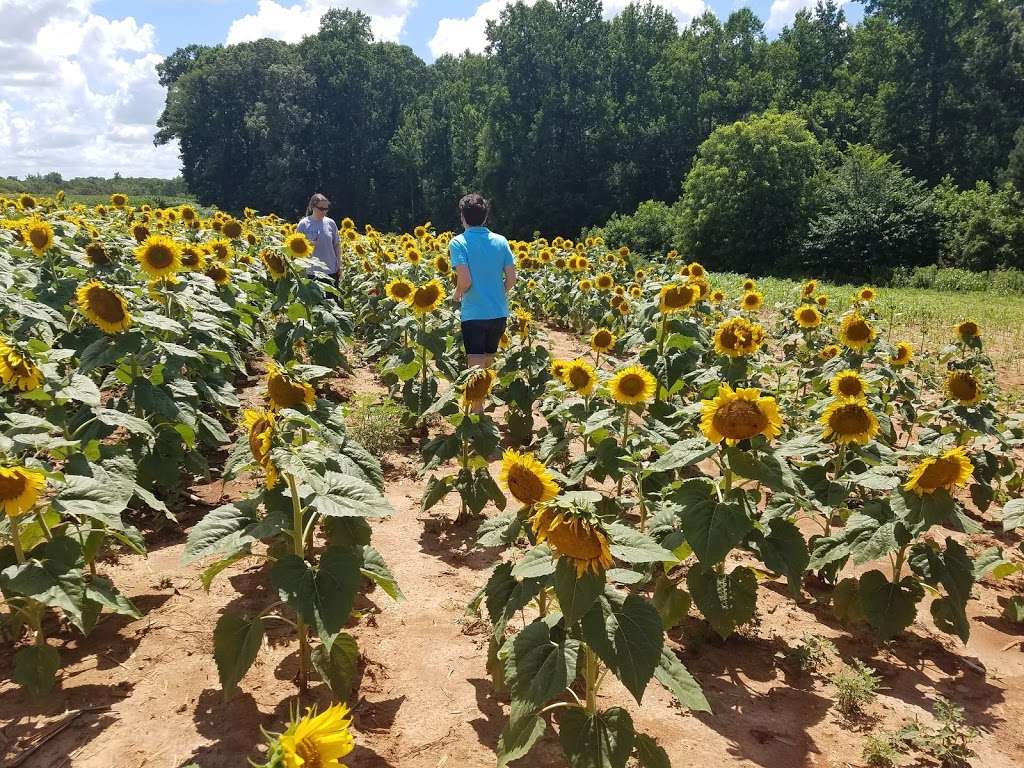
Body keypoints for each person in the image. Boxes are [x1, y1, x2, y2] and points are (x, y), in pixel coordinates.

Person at [450, 193, 516, 378]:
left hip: (474, 314)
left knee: (475, 367)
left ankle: (477, 407)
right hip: (498, 312)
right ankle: (483, 402)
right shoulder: (501, 241)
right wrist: (496, 292)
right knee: (488, 363)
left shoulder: (458, 243)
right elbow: (511, 279)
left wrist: (456, 295)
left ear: (462, 216)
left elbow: (465, 281)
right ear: (485, 217)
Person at [296, 193, 341, 285]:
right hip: (311, 272)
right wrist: (308, 245)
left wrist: (339, 265)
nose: (324, 212)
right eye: (321, 209)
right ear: (312, 207)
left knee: (331, 299)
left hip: (330, 270)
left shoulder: (330, 223)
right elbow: (296, 249)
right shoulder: (303, 224)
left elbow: (337, 245)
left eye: (326, 209)